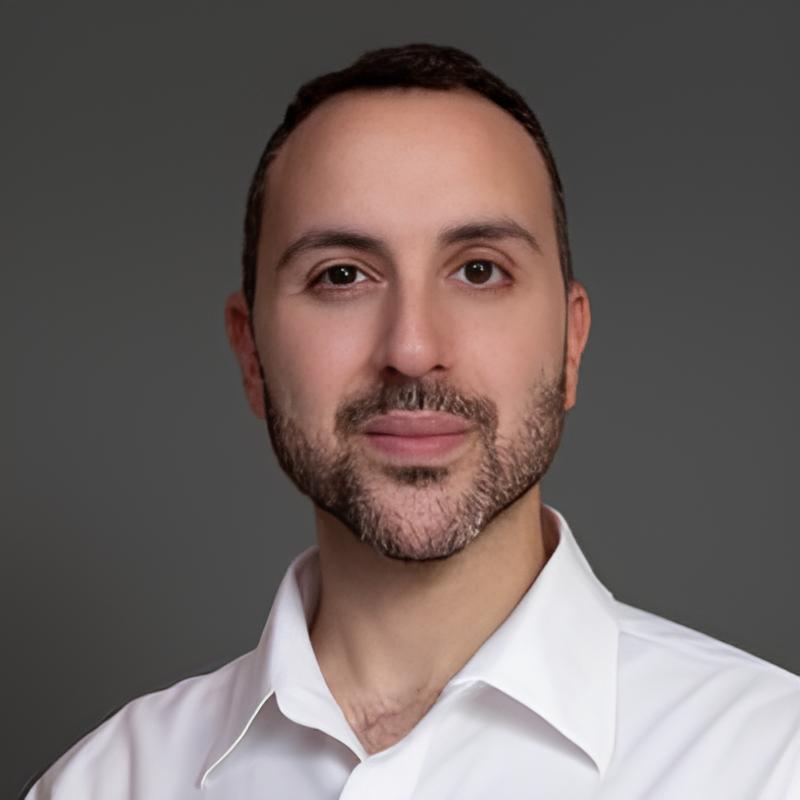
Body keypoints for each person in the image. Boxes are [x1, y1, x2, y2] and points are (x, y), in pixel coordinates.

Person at [23, 42, 800, 800]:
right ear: (251, 353)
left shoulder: (771, 762)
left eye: (479, 270)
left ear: (570, 345)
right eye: (342, 276)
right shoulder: (104, 783)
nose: (412, 349)